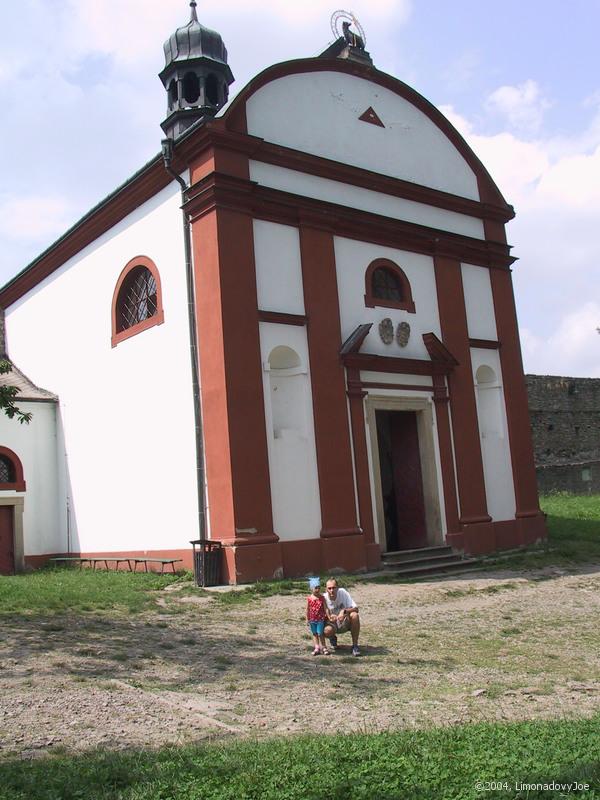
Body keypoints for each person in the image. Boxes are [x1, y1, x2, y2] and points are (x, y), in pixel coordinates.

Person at [323, 578, 361, 656]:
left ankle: (355, 646)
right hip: (332, 624)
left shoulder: (343, 592)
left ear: (337, 588)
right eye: (329, 588)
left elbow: (356, 609)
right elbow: (318, 617)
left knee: (355, 615)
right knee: (326, 631)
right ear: (326, 589)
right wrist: (329, 617)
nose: (331, 590)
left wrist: (344, 611)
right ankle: (332, 637)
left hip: (345, 621)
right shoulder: (323, 598)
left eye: (334, 588)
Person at [306, 577, 329, 656]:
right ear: (311, 588)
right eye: (316, 588)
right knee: (314, 633)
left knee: (320, 633)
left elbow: (326, 608)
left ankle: (324, 647)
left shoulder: (322, 598)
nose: (317, 590)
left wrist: (328, 616)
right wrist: (307, 619)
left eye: (319, 588)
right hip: (312, 619)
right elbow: (307, 609)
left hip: (320, 619)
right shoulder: (309, 599)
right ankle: (316, 647)